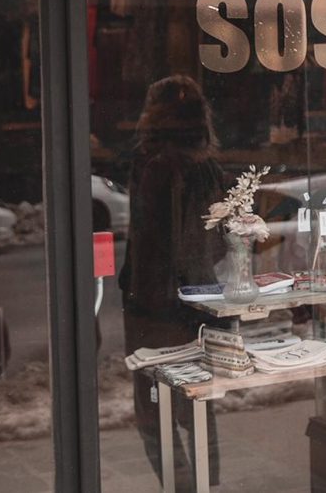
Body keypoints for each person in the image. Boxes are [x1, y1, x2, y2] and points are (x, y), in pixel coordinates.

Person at [119, 75, 225, 490]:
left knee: (153, 410)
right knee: (196, 406)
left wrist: (140, 296)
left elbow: (149, 243)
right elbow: (213, 242)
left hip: (156, 306)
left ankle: (183, 487)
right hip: (199, 298)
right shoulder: (207, 164)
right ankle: (204, 485)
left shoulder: (157, 165)